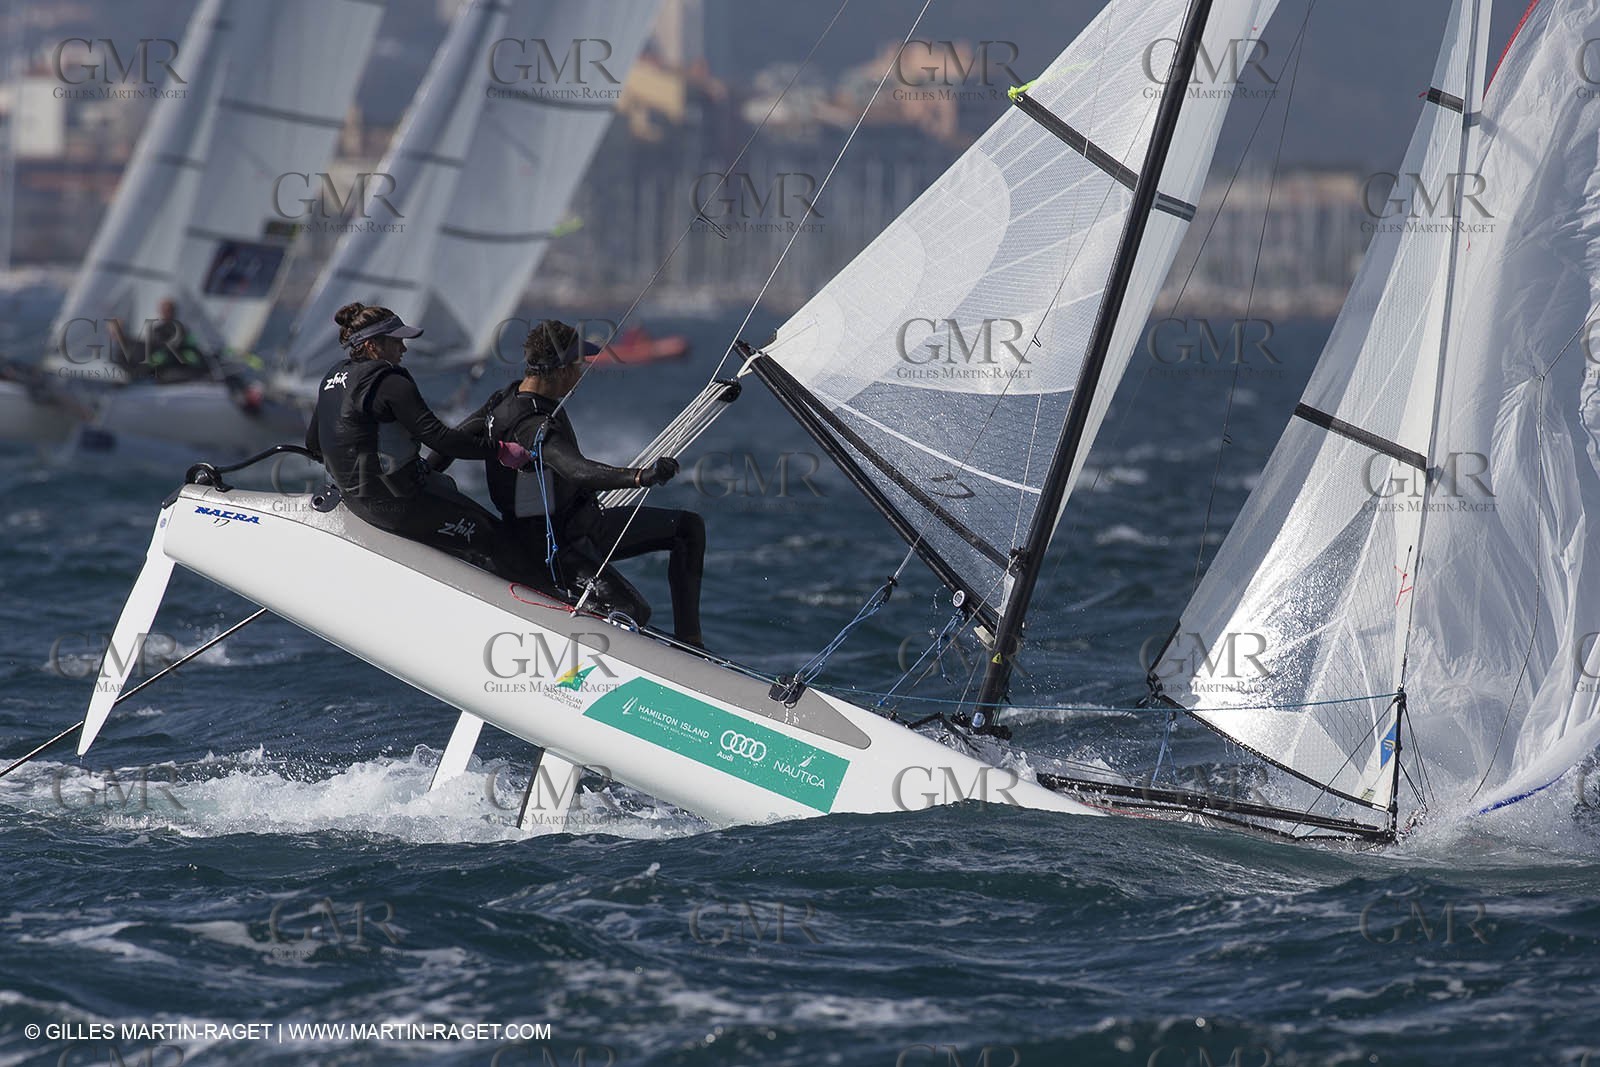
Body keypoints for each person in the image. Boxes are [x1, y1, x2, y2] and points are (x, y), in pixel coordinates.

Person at [438, 320, 707, 647]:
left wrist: (425, 472)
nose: (580, 374)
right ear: (560, 369)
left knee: (687, 529)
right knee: (630, 610)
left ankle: (691, 644)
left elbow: (451, 442)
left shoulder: (503, 399)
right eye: (577, 365)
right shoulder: (530, 424)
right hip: (554, 548)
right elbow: (576, 470)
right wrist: (641, 476)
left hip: (587, 524)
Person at [305, 301, 536, 580]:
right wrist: (500, 450)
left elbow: (313, 444)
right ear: (372, 346)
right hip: (397, 504)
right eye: (396, 341)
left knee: (444, 489)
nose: (403, 348)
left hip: (355, 500)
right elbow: (440, 439)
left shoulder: (332, 378)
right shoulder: (391, 383)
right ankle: (552, 600)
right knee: (497, 538)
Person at [107, 298, 216, 383]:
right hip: (158, 372)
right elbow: (152, 354)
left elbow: (184, 350)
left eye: (168, 310)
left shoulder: (182, 330)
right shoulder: (155, 331)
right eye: (164, 310)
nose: (165, 313)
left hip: (174, 369)